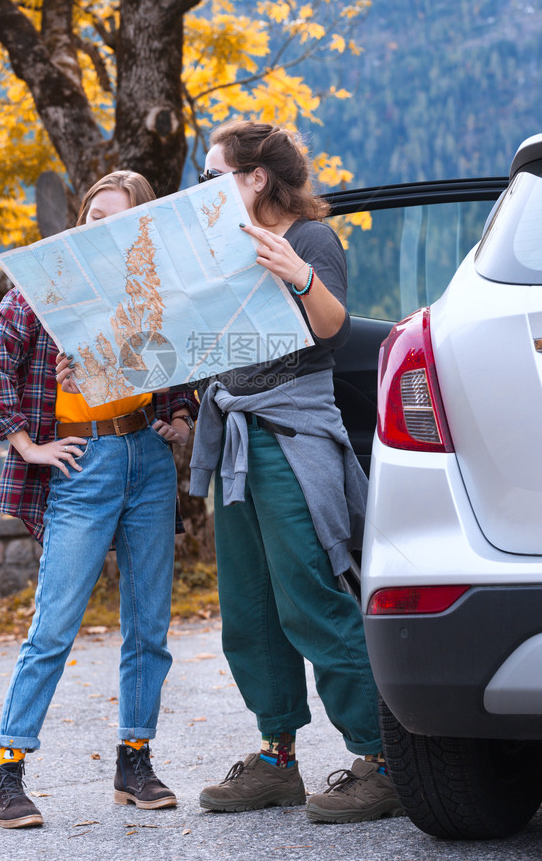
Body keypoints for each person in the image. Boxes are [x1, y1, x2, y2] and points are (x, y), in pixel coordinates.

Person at [0, 171, 198, 829]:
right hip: (80, 462)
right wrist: (26, 445)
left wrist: (178, 418)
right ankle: (8, 772)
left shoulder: (151, 295)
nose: (100, 227)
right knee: (54, 627)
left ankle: (134, 762)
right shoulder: (47, 290)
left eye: (116, 219)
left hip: (146, 463)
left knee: (148, 627)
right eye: (92, 215)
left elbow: (175, 374)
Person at [188, 120, 404, 824]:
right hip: (235, 437)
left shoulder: (308, 239)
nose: (203, 187)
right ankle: (276, 760)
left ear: (253, 177)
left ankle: (383, 760)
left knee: (309, 599)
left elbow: (333, 326)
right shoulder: (216, 250)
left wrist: (297, 274)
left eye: (214, 174)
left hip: (289, 435)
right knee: (248, 612)